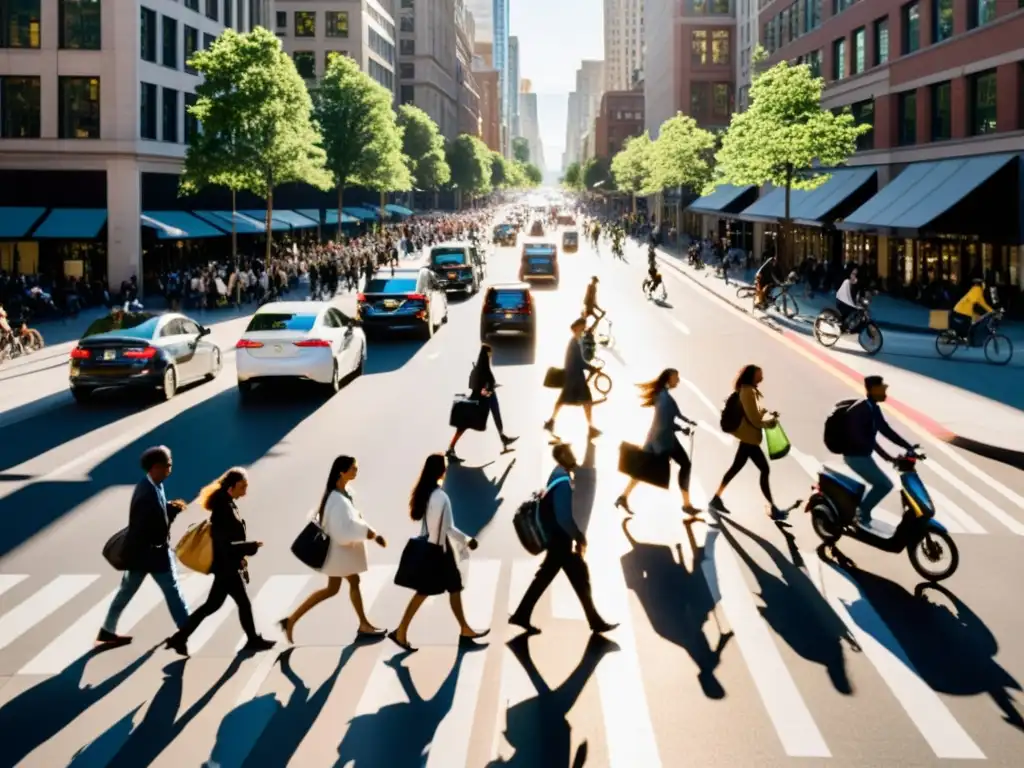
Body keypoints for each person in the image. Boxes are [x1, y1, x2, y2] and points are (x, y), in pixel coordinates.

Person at [509, 444, 618, 635]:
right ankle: (595, 621)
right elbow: (564, 517)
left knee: (555, 577)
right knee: (578, 577)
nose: (573, 456)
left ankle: (522, 614)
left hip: (557, 538)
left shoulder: (558, 473)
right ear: (563, 457)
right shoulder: (563, 481)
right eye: (570, 454)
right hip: (560, 538)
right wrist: (578, 536)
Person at [164, 468, 275, 655]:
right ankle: (252, 639)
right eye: (243, 486)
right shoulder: (223, 508)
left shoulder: (227, 503)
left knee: (212, 606)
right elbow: (225, 544)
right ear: (232, 487)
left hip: (227, 564)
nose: (246, 490)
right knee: (241, 603)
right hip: (226, 566)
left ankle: (179, 638)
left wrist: (242, 554)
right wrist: (249, 547)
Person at [281, 456, 387, 644]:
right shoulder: (337, 498)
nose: (356, 471)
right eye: (353, 468)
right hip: (337, 552)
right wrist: (371, 534)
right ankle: (363, 624)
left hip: (337, 552)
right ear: (342, 471)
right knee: (353, 581)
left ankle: (291, 620)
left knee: (332, 589)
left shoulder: (341, 493)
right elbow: (346, 526)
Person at [389, 454, 490, 651]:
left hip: (435, 549)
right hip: (438, 552)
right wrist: (468, 540)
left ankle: (465, 629)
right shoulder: (441, 496)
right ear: (441, 471)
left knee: (453, 588)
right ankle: (400, 631)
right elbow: (448, 528)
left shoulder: (426, 493)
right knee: (427, 591)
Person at [97, 446, 190, 647]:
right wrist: (169, 518)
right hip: (150, 556)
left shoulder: (154, 485)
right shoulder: (146, 493)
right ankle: (185, 631)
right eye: (168, 464)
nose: (170, 467)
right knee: (173, 591)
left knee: (126, 592)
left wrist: (168, 509)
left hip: (144, 556)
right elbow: (144, 528)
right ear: (156, 467)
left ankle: (107, 630)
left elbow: (153, 517)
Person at [709, 365, 790, 521]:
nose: (762, 378)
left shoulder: (749, 390)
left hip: (749, 438)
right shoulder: (747, 392)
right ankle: (773, 508)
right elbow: (754, 419)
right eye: (760, 375)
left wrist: (768, 415)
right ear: (752, 376)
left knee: (736, 468)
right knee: (764, 469)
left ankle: (715, 499)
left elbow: (754, 413)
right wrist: (769, 423)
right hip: (749, 438)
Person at [614, 369, 699, 515]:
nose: (678, 381)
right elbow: (666, 423)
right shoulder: (665, 399)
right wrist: (682, 429)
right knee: (685, 464)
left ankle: (623, 497)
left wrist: (684, 425)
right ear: (668, 379)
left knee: (642, 468)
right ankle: (687, 504)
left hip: (653, 438)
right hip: (664, 440)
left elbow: (668, 419)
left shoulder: (661, 395)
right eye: (676, 378)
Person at [840, 376, 916, 527]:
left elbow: (883, 431)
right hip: (855, 457)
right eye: (882, 388)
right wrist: (895, 454)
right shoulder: (862, 409)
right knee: (884, 485)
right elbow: (871, 438)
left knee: (881, 484)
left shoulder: (872, 407)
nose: (885, 392)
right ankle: (861, 515)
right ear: (873, 390)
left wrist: (907, 447)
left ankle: (861, 513)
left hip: (862, 455)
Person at [447, 344, 518, 461]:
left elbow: (475, 385)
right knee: (464, 425)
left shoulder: (479, 369)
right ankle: (451, 449)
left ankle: (503, 438)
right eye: (490, 353)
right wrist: (488, 391)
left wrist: (490, 387)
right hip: (481, 402)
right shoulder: (483, 370)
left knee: (495, 415)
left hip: (484, 399)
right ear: (486, 355)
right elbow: (482, 390)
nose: (491, 356)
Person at [544, 318, 600, 440]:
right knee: (586, 402)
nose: (584, 330)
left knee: (564, 401)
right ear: (576, 329)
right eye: (582, 328)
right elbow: (579, 362)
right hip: (575, 378)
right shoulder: (574, 343)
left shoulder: (576, 341)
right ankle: (590, 429)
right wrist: (591, 368)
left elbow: (578, 361)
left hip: (573, 377)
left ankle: (551, 422)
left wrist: (590, 368)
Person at [951, 278, 995, 346]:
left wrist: (991, 310)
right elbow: (973, 299)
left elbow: (982, 303)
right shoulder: (976, 290)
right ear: (981, 284)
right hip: (962, 310)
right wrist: (991, 311)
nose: (985, 286)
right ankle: (962, 338)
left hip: (964, 310)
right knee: (968, 325)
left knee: (971, 324)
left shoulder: (978, 291)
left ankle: (963, 338)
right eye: (984, 284)